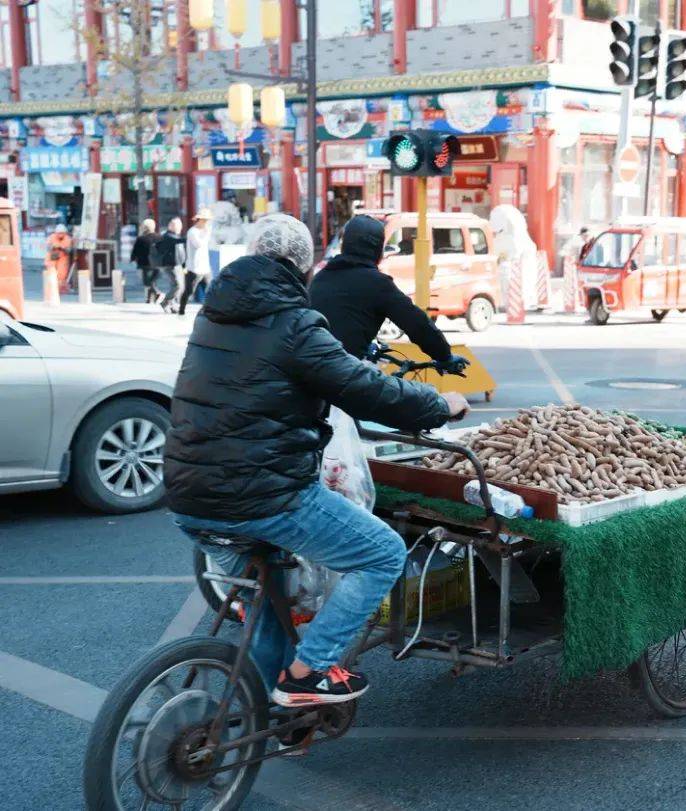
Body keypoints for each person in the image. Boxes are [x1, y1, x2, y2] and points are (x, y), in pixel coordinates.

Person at [165, 214, 470, 707]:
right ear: (304, 268)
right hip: (264, 494)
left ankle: (267, 712)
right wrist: (440, 404)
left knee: (267, 607)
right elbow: (365, 389)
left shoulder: (213, 311)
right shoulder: (295, 324)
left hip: (186, 492)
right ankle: (308, 675)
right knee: (384, 553)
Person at [309, 214, 462, 367]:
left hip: (307, 373)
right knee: (417, 391)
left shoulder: (319, 278)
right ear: (377, 251)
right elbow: (416, 323)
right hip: (343, 378)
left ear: (345, 245)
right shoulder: (377, 283)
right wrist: (445, 356)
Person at [178, 208, 212, 315]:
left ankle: (209, 311)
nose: (207, 223)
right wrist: (206, 234)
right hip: (194, 268)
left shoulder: (205, 231)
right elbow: (198, 244)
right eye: (205, 220)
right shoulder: (192, 232)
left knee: (210, 290)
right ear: (200, 220)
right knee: (189, 291)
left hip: (205, 267)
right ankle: (181, 309)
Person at [156, 217, 187, 312]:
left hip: (176, 265)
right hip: (169, 265)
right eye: (177, 225)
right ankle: (165, 302)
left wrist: (184, 265)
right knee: (177, 285)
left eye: (180, 225)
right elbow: (179, 241)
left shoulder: (175, 235)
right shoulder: (168, 236)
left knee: (178, 286)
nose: (179, 227)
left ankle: (172, 305)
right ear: (171, 226)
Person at [131, 219, 162, 304]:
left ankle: (156, 293)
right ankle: (149, 299)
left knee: (147, 282)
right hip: (157, 264)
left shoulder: (141, 239)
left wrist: (132, 259)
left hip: (145, 264)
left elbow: (135, 251)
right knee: (152, 281)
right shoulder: (159, 237)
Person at [45, 224, 74, 293]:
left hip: (63, 258)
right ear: (56, 233)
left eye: (62, 233)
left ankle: (60, 288)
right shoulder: (51, 237)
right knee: (51, 272)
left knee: (62, 274)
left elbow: (69, 250)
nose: (60, 235)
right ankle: (52, 288)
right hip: (53, 256)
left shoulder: (68, 239)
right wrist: (54, 247)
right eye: (59, 233)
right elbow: (48, 248)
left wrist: (62, 248)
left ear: (65, 233)